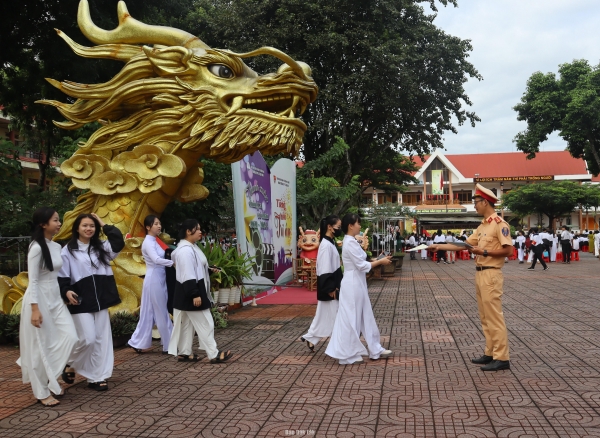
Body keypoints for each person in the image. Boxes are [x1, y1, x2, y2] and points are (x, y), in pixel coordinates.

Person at [428, 184, 513, 371]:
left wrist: (484, 250)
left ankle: (502, 357)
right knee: (485, 317)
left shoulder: (500, 224)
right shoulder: (483, 226)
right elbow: (463, 245)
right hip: (480, 273)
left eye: (476, 202)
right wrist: (439, 246)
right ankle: (490, 353)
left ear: (485, 202)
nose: (474, 206)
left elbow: (509, 250)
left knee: (494, 317)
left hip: (491, 273)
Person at [18, 207, 78, 407]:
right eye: (55, 220)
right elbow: (33, 281)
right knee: (39, 347)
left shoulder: (55, 245)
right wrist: (35, 309)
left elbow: (57, 276)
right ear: (43, 224)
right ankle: (42, 391)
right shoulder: (36, 248)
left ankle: (50, 377)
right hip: (39, 300)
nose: (59, 223)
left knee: (70, 337)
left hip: (55, 299)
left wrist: (65, 292)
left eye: (58, 220)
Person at [58, 213, 125, 391]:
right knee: (87, 338)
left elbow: (119, 241)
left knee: (102, 339)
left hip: (102, 298)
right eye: (85, 225)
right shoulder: (68, 251)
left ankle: (98, 377)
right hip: (80, 300)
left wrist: (103, 224)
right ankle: (70, 362)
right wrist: (66, 291)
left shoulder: (102, 247)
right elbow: (62, 277)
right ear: (77, 228)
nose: (89, 229)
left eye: (92, 226)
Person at [325, 213, 393, 365]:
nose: (360, 226)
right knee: (352, 318)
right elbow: (362, 265)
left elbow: (363, 260)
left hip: (358, 282)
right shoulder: (349, 243)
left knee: (366, 316)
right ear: (351, 225)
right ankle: (347, 354)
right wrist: (380, 262)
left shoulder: (352, 241)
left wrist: (378, 259)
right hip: (352, 283)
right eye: (358, 223)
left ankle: (375, 349)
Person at [167, 219, 233, 363]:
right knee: (205, 322)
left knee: (187, 325)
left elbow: (195, 269)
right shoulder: (185, 251)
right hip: (190, 292)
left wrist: (208, 270)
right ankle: (214, 354)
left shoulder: (191, 247)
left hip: (189, 291)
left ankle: (184, 353)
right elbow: (187, 274)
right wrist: (194, 294)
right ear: (188, 232)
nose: (200, 231)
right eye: (197, 229)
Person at [128, 215, 174, 354]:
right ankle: (169, 344)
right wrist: (173, 263)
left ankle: (137, 342)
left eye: (159, 223)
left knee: (149, 312)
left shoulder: (156, 241)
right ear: (148, 227)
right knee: (161, 311)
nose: (159, 226)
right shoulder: (148, 242)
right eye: (155, 224)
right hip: (154, 278)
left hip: (159, 277)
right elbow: (156, 259)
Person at [300, 215, 343, 351]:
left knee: (325, 315)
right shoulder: (325, 246)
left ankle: (311, 337)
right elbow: (324, 269)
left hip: (332, 284)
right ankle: (339, 346)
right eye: (338, 226)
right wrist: (330, 288)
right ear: (330, 227)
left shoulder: (329, 243)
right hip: (330, 286)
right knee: (335, 317)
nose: (340, 229)